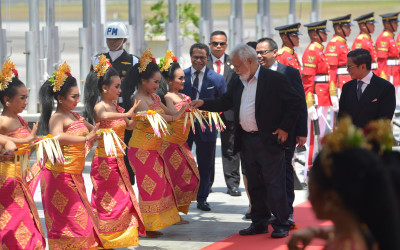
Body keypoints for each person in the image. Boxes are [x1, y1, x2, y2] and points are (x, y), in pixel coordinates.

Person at [191, 44, 302, 238]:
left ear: (250, 62)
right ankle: (259, 221)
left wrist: (285, 127)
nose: (235, 69)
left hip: (269, 140)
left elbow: (295, 103)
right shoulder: (237, 80)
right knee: (254, 184)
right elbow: (225, 102)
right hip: (247, 139)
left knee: (274, 183)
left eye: (237, 66)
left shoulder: (274, 79)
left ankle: (282, 222)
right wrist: (204, 103)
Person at [287, 117, 400, 250]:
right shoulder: (367, 231)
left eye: (311, 190)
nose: (308, 198)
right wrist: (316, 231)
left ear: (331, 198)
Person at [38, 62, 103, 249]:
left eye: (78, 97)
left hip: (73, 176)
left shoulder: (75, 116)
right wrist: (86, 138)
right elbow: (57, 136)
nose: (77, 100)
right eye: (73, 97)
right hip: (60, 177)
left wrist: (100, 132)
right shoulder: (57, 117)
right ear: (60, 97)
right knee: (74, 223)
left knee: (83, 222)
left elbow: (92, 130)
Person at [124, 49, 187, 237]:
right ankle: (145, 227)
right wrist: (176, 115)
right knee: (149, 187)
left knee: (160, 185)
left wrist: (181, 110)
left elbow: (171, 115)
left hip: (153, 149)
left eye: (159, 82)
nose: (157, 86)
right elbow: (158, 118)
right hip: (141, 150)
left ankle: (151, 223)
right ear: (144, 80)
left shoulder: (154, 98)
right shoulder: (138, 99)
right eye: (155, 82)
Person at [84, 55, 145, 248]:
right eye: (117, 86)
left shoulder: (117, 107)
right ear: (104, 88)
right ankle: (104, 236)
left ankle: (117, 236)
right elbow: (102, 116)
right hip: (104, 161)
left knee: (124, 198)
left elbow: (129, 126)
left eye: (120, 86)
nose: (120, 90)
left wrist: (141, 117)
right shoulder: (101, 106)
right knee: (106, 200)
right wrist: (125, 113)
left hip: (118, 159)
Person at [256, 37, 307, 228]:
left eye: (263, 52)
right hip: (261, 134)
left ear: (275, 52)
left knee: (284, 171)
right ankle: (269, 211)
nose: (260, 56)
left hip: (286, 133)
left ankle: (287, 212)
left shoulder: (289, 72)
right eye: (258, 52)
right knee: (263, 175)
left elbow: (299, 102)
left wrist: (302, 131)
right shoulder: (255, 73)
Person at [0, 60, 46, 249]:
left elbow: (26, 143)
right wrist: (19, 144)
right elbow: (7, 145)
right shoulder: (3, 121)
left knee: (25, 226)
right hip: (8, 180)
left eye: (27, 97)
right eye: (22, 98)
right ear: (7, 100)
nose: (26, 103)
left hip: (20, 180)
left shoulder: (19, 119)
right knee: (14, 225)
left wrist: (44, 141)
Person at [92, 22, 139, 186]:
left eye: (116, 39)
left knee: (126, 148)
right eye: (109, 39)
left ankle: (127, 184)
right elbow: (92, 87)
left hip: (124, 109)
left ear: (124, 39)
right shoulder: (98, 59)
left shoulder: (133, 61)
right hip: (104, 109)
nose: (111, 42)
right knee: (106, 149)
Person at [181, 43, 226, 211]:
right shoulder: (181, 76)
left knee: (205, 163)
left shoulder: (217, 79)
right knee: (182, 162)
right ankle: (182, 196)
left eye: (202, 58)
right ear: (190, 57)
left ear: (208, 58)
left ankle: (202, 197)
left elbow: (223, 102)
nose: (198, 60)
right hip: (184, 126)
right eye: (195, 57)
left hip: (207, 126)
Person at [160, 51, 200, 222]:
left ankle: (175, 211)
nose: (184, 81)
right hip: (169, 144)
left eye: (184, 78)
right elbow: (175, 113)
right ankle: (172, 213)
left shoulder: (183, 96)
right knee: (174, 179)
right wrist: (186, 107)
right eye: (180, 78)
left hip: (181, 143)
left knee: (190, 176)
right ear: (169, 80)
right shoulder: (168, 97)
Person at [206, 31, 240, 197]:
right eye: (215, 43)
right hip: (207, 112)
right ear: (209, 44)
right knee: (208, 149)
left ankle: (232, 184)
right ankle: (207, 183)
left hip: (229, 112)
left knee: (231, 149)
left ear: (226, 45)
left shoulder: (234, 63)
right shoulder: (203, 63)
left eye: (222, 43)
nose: (218, 46)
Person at [302, 20, 336, 170]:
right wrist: (309, 103)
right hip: (316, 97)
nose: (326, 34)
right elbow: (308, 81)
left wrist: (332, 94)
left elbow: (328, 75)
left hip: (323, 96)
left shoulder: (319, 49)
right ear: (315, 34)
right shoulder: (312, 51)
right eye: (323, 32)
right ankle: (309, 168)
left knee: (321, 134)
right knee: (313, 136)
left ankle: (319, 165)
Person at [338, 48, 396, 128]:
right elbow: (341, 117)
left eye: (350, 67)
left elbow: (384, 120)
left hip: (373, 138)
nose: (347, 70)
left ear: (362, 67)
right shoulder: (347, 87)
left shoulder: (386, 88)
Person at [326, 15, 353, 94]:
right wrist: (332, 90)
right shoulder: (334, 44)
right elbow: (332, 69)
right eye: (347, 27)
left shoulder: (342, 42)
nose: (350, 29)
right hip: (341, 83)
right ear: (338, 29)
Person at [376, 13, 400, 91]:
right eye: (395, 23)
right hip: (389, 73)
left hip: (395, 72)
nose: (397, 25)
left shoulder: (390, 37)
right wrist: (383, 77)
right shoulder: (384, 37)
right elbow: (381, 61)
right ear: (387, 23)